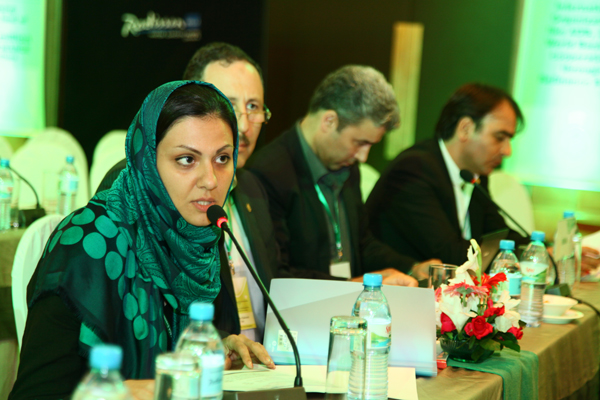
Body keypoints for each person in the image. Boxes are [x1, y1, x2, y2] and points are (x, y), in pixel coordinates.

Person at [9, 81, 273, 400]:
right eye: (186, 160)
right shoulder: (87, 245)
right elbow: (35, 393)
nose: (210, 180)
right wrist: (115, 392)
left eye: (222, 158)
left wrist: (214, 345)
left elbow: (169, 328)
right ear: (147, 160)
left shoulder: (198, 237)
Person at [249, 65, 438, 285]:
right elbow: (277, 276)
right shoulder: (268, 174)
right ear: (329, 121)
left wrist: (411, 268)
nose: (363, 157)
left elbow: (362, 244)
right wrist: (353, 286)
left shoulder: (348, 166)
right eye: (360, 143)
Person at [366, 83, 529, 269]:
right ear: (465, 128)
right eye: (499, 137)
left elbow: (499, 235)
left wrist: (536, 250)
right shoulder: (413, 170)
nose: (507, 151)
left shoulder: (474, 175)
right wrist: (511, 257)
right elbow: (449, 255)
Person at [182, 42, 278, 342]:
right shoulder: (164, 188)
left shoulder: (252, 187)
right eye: (228, 105)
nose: (244, 125)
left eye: (253, 107)